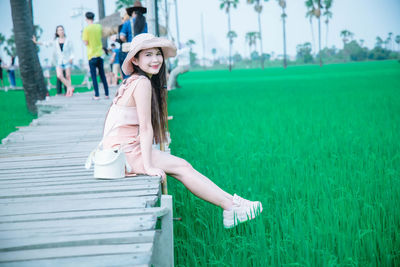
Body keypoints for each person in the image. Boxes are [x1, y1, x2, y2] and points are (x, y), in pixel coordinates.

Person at [101, 33, 263, 228]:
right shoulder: (142, 83)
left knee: (183, 167)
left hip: (120, 149)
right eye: (148, 55)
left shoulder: (133, 80)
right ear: (135, 59)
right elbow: (145, 127)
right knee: (182, 167)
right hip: (124, 152)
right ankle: (230, 207)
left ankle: (233, 204)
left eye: (158, 54)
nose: (155, 60)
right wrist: (149, 166)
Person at [32, 25, 75, 97]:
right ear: (57, 32)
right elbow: (46, 43)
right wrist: (36, 42)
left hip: (67, 61)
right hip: (58, 61)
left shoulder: (68, 40)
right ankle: (70, 87)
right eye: (59, 30)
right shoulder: (55, 41)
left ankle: (69, 92)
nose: (61, 31)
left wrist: (72, 58)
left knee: (68, 76)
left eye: (62, 30)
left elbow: (72, 51)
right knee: (59, 76)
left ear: (64, 31)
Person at [82, 11, 109, 100]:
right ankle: (106, 94)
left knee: (94, 76)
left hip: (91, 55)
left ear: (86, 18)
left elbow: (86, 42)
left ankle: (97, 95)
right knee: (102, 75)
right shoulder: (99, 27)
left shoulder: (86, 29)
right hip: (99, 54)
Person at [119, 1, 148, 77]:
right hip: (143, 50)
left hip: (131, 50)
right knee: (142, 72)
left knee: (129, 72)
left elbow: (122, 37)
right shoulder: (145, 23)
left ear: (133, 13)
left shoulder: (127, 23)